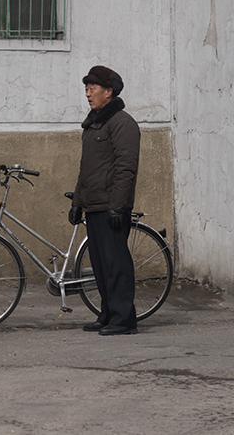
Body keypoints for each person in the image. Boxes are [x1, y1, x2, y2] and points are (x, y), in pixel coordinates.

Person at [69, 66, 141, 336]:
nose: (87, 93)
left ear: (108, 92)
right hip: (94, 205)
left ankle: (124, 319)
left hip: (111, 206)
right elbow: (86, 168)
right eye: (86, 89)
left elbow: (126, 168)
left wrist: (117, 205)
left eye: (92, 89)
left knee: (116, 264)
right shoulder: (94, 123)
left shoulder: (122, 123)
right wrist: (78, 201)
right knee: (100, 266)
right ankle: (108, 313)